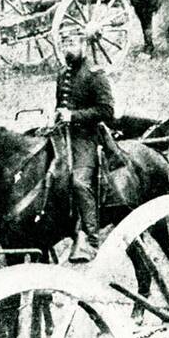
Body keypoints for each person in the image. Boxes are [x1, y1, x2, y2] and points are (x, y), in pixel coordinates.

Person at [55, 34, 115, 262]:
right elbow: (59, 105)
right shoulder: (62, 73)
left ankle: (91, 239)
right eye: (63, 44)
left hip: (87, 138)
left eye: (71, 43)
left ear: (83, 46)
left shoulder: (95, 74)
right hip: (62, 135)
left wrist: (74, 116)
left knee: (79, 182)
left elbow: (107, 111)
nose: (67, 48)